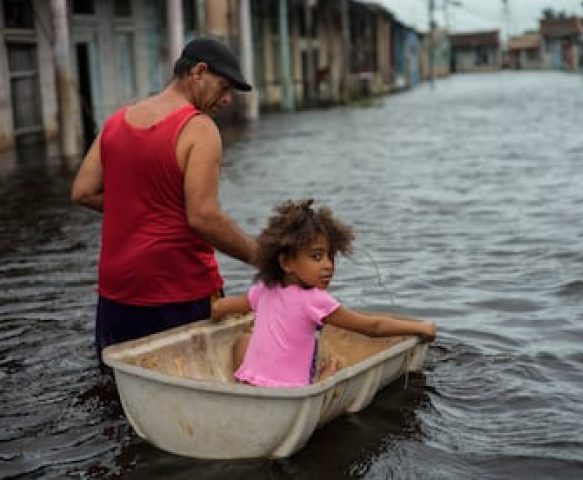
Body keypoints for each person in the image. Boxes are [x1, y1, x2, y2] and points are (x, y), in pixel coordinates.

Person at [71, 37, 258, 365]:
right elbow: (203, 216)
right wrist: (263, 258)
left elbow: (83, 191)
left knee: (120, 389)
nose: (228, 99)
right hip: (176, 289)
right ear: (198, 72)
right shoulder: (199, 129)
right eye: (224, 86)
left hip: (117, 290)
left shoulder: (117, 121)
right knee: (193, 385)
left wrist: (139, 205)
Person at [211, 199, 437, 387]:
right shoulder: (315, 300)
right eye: (317, 257)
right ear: (286, 262)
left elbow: (220, 308)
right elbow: (372, 327)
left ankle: (241, 384)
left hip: (250, 387)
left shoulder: (264, 290)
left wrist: (214, 313)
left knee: (243, 339)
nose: (328, 265)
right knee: (334, 365)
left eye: (331, 256)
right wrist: (421, 328)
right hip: (291, 394)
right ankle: (323, 378)